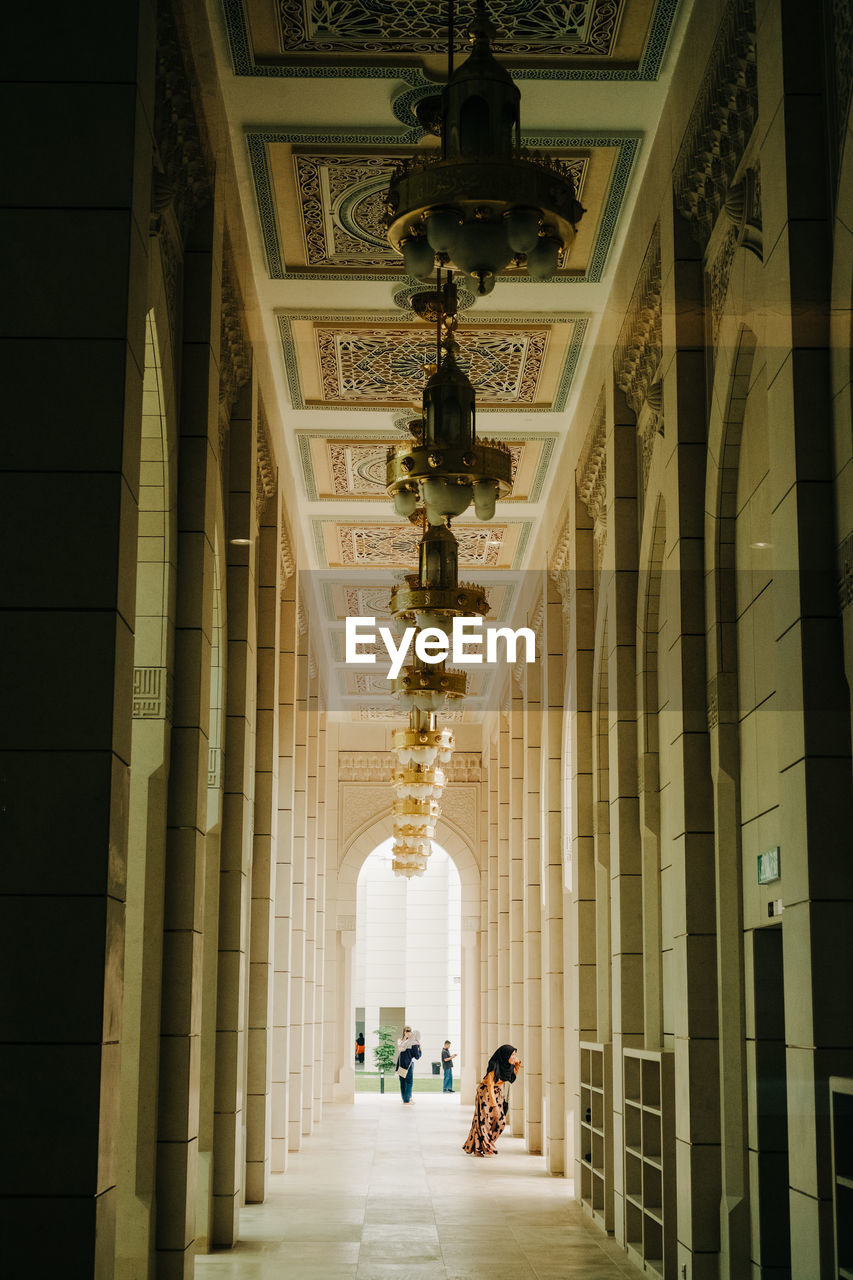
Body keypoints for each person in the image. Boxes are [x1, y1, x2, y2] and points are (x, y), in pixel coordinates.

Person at [463, 1044, 521, 1156]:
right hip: (485, 1093)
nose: (514, 1057)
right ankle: (479, 1148)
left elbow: (511, 1079)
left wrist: (517, 1066)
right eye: (512, 1054)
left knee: (501, 1122)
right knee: (483, 1122)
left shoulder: (507, 1066)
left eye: (515, 1054)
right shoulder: (494, 1066)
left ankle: (486, 1144)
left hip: (497, 1093)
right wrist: (494, 1106)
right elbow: (490, 1085)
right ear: (505, 1055)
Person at [395, 1026, 421, 1104]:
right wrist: (420, 1050)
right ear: (404, 1032)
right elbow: (400, 1048)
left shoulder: (413, 1042)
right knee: (406, 1082)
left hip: (407, 1064)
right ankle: (406, 1099)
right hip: (403, 1064)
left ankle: (407, 1098)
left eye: (410, 1031)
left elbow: (416, 1056)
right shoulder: (401, 1041)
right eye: (407, 1031)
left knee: (406, 1082)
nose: (408, 1032)